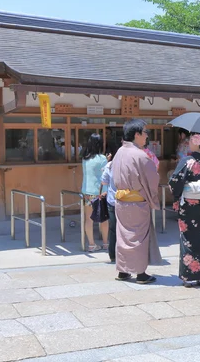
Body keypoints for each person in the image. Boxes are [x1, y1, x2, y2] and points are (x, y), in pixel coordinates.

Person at [112, 119, 162, 283]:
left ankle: (123, 271)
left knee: (123, 236)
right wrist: (152, 197)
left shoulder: (119, 151)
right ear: (137, 134)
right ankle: (140, 273)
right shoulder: (140, 155)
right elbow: (152, 179)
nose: (147, 136)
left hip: (121, 201)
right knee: (138, 238)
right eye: (145, 132)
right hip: (137, 202)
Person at [169, 132, 200, 287]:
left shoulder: (187, 161)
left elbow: (174, 182)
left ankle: (189, 276)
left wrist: (178, 196)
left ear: (194, 142)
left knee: (188, 239)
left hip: (188, 207)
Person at [81, 133, 109, 252]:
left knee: (88, 219)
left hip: (87, 191)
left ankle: (91, 244)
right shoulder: (102, 158)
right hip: (99, 192)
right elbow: (104, 175)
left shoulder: (85, 158)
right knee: (104, 218)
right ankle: (105, 243)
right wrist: (107, 160)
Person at [100, 155, 117, 263]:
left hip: (112, 200)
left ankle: (113, 255)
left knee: (113, 229)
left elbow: (104, 181)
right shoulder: (129, 163)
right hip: (127, 200)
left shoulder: (110, 165)